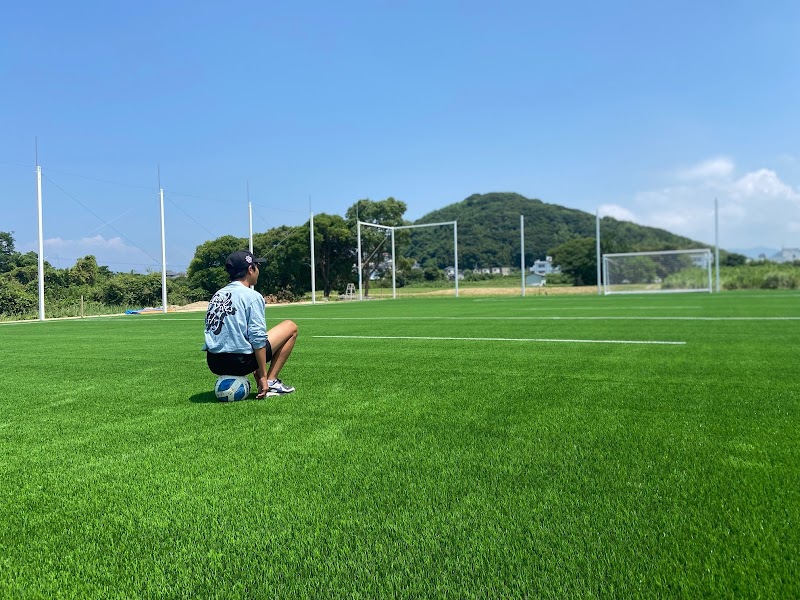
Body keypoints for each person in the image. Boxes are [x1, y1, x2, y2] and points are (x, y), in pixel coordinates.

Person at [204, 250, 298, 399]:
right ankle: (272, 381)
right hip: (240, 362)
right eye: (257, 266)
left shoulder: (217, 295)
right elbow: (258, 338)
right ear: (250, 269)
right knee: (290, 326)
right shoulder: (252, 296)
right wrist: (262, 374)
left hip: (214, 362)